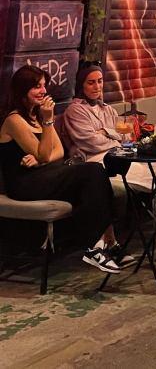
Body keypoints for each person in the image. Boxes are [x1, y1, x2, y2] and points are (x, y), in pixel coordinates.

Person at [0, 65, 131, 274]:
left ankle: (100, 245)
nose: (43, 91)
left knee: (95, 173)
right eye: (36, 87)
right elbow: (44, 154)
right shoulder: (14, 120)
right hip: (24, 185)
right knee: (92, 172)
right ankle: (94, 246)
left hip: (45, 174)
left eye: (44, 85)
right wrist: (48, 122)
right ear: (21, 91)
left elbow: (58, 152)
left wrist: (41, 157)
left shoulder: (37, 116)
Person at [63, 62, 156, 229]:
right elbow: (91, 143)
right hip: (100, 163)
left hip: (122, 156)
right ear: (81, 85)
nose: (97, 86)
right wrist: (115, 136)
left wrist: (105, 132)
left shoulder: (108, 110)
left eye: (99, 81)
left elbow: (127, 136)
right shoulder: (75, 110)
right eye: (91, 82)